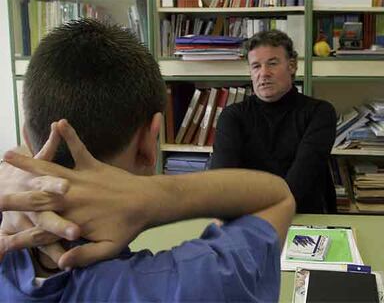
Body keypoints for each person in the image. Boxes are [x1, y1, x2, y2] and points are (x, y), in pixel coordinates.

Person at [0, 19, 295, 301]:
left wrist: (10, 171)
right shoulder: (189, 284)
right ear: (150, 140)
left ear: (26, 137)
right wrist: (155, 196)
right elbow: (276, 197)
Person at [210, 30, 337, 214]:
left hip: (303, 218)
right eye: (256, 66)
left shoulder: (319, 113)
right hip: (248, 219)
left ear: (292, 66)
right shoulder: (232, 117)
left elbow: (300, 183)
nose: (264, 73)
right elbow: (222, 183)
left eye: (272, 63)